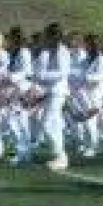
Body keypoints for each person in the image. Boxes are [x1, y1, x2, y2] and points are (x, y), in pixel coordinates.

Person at [34, 22, 72, 170]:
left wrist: (43, 75)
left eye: (47, 35)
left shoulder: (63, 52)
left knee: (48, 124)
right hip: (48, 91)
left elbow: (62, 72)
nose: (44, 38)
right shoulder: (47, 52)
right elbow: (38, 69)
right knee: (53, 124)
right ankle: (59, 156)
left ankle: (61, 155)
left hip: (58, 92)